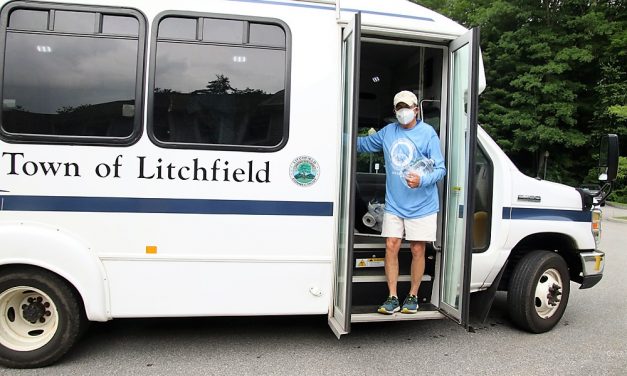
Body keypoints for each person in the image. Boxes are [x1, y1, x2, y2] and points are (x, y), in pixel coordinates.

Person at [356, 90, 446, 314]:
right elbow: (363, 144)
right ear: (395, 111)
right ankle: (392, 297)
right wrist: (334, 133)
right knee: (391, 245)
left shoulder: (428, 134)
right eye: (399, 108)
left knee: (417, 249)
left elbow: (441, 169)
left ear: (416, 109)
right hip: (395, 204)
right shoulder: (389, 132)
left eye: (407, 107)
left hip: (423, 205)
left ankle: (413, 296)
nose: (403, 112)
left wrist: (422, 179)